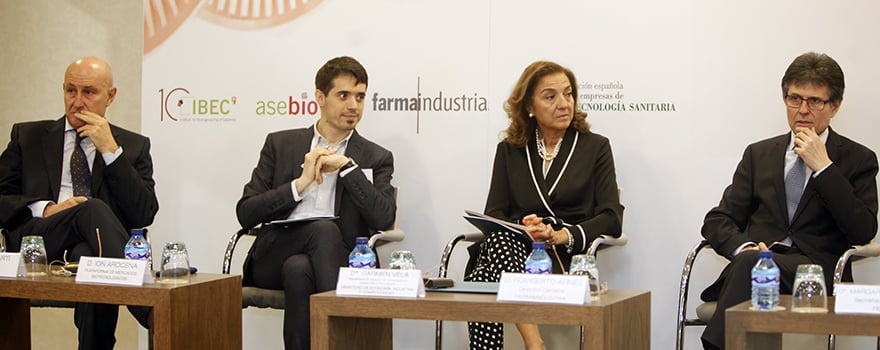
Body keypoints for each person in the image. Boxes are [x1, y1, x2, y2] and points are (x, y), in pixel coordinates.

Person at [700, 52, 878, 350]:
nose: (803, 110)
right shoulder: (759, 154)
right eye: (795, 99)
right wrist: (745, 247)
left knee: (750, 266)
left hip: (817, 274)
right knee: (752, 263)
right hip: (757, 265)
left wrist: (824, 168)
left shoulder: (857, 158)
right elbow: (718, 220)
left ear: (835, 107)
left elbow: (862, 231)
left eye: (815, 101)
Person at [236, 56, 396, 350]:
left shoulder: (375, 157)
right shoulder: (280, 144)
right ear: (320, 97)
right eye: (343, 95)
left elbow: (384, 218)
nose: (353, 106)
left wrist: (348, 168)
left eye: (360, 97)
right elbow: (246, 212)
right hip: (273, 254)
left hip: (332, 260)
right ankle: (348, 338)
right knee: (322, 230)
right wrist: (300, 184)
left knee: (299, 270)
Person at [0, 56, 159, 350]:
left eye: (89, 93)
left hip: (93, 247)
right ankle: (150, 310)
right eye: (71, 91)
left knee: (92, 257)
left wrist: (111, 152)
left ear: (110, 96)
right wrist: (45, 208)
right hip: (38, 239)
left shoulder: (132, 147)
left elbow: (144, 213)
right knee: (94, 207)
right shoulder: (27, 136)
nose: (77, 102)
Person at [465, 61, 624, 350]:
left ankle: (531, 345)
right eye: (550, 97)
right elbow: (495, 212)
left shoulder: (595, 147)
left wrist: (561, 235)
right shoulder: (510, 150)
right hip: (516, 251)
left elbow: (611, 217)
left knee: (483, 278)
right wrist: (525, 227)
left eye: (568, 94)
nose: (563, 104)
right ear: (529, 106)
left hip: (563, 260)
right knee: (500, 242)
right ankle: (534, 342)